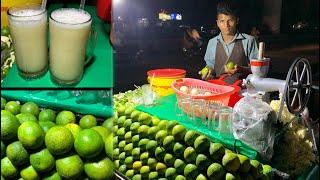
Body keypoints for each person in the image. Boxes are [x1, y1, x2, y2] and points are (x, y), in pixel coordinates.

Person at [201, 0, 259, 84]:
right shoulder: (212, 43)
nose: (226, 25)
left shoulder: (249, 41)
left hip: (243, 90)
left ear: (237, 21)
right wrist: (208, 73)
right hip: (219, 89)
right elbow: (210, 66)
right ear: (217, 23)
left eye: (230, 20)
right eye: (222, 21)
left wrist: (241, 69)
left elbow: (257, 71)